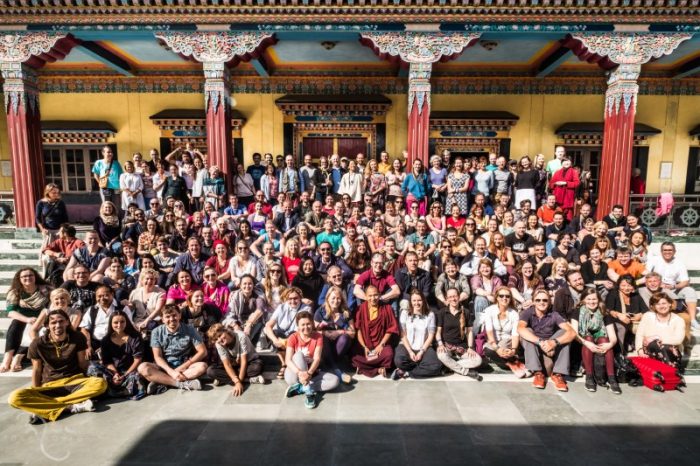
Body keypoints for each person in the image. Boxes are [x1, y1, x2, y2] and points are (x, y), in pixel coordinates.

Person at [8, 309, 108, 423]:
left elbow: (82, 364)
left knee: (100, 384)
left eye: (61, 321)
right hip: (49, 384)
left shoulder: (77, 337)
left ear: (67, 322)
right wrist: (37, 392)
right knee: (14, 398)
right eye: (53, 322)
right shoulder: (37, 344)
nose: (58, 325)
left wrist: (96, 369)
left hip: (75, 382)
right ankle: (72, 407)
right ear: (46, 325)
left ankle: (47, 407)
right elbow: (37, 370)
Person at [137, 304, 208, 394]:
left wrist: (182, 367)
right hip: (165, 366)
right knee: (142, 368)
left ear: (179, 315)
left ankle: (162, 382)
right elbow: (157, 357)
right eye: (167, 317)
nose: (171, 319)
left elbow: (203, 351)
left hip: (185, 366)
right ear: (162, 319)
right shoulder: (156, 332)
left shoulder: (189, 329)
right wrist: (170, 371)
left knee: (202, 366)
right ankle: (180, 384)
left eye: (174, 315)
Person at [518, 289, 576, 391]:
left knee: (565, 333)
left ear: (549, 302)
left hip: (550, 348)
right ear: (534, 301)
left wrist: (554, 342)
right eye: (538, 300)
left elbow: (572, 332)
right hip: (535, 348)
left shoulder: (554, 314)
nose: (541, 302)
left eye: (545, 300)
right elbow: (520, 329)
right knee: (527, 331)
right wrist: (540, 342)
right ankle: (538, 373)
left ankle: (558, 375)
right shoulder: (527, 313)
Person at [284, 311, 340, 409]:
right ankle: (308, 391)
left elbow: (317, 358)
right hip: (293, 374)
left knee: (335, 381)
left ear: (313, 324)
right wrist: (300, 373)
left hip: (310, 373)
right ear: (298, 326)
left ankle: (302, 388)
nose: (306, 327)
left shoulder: (318, 337)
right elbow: (288, 360)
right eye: (303, 325)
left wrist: (309, 374)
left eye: (308, 324)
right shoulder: (293, 337)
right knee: (298, 355)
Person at [570, 288, 621, 394]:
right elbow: (574, 334)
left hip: (599, 342)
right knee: (588, 337)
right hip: (582, 343)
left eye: (594, 299)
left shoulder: (604, 312)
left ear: (599, 300)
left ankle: (612, 378)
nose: (592, 302)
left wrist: (610, 344)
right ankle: (589, 377)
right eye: (588, 299)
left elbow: (613, 336)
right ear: (583, 300)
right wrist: (587, 343)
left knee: (605, 339)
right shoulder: (577, 312)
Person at [1, 268, 52, 373]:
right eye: (24, 276)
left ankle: (18, 357)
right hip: (23, 320)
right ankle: (7, 359)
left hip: (42, 320)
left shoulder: (46, 289)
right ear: (19, 279)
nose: (28, 278)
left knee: (34, 330)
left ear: (35, 277)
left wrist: (40, 320)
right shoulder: (15, 292)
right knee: (16, 324)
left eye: (30, 275)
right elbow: (11, 312)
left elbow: (55, 302)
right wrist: (27, 319)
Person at [87, 310, 146, 399]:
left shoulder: (135, 337)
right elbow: (107, 361)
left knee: (137, 377)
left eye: (122, 322)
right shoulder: (105, 340)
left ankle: (111, 392)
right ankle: (120, 390)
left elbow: (137, 359)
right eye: (116, 322)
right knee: (92, 368)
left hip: (130, 371)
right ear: (111, 323)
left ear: (127, 322)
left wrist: (125, 375)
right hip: (113, 372)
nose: (119, 325)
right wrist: (115, 374)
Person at [645, 241, 698, 329]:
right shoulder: (654, 260)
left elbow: (685, 281)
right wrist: (656, 284)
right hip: (657, 288)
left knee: (690, 291)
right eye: (665, 250)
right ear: (661, 251)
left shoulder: (679, 263)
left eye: (670, 250)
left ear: (674, 251)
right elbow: (646, 275)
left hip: (673, 288)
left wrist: (674, 286)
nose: (667, 252)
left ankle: (692, 320)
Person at [392, 290, 441, 380]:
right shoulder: (405, 313)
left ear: (423, 301)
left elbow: (431, 336)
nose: (417, 303)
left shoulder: (430, 315)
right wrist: (410, 351)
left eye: (419, 300)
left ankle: (406, 372)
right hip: (407, 346)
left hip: (423, 347)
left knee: (436, 366)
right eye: (414, 300)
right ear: (411, 301)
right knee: (399, 361)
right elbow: (403, 335)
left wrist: (421, 351)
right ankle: (420, 366)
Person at [352, 285, 399, 378]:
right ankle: (378, 369)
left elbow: (390, 329)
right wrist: (364, 347)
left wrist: (381, 345)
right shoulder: (360, 309)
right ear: (365, 296)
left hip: (381, 344)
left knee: (388, 354)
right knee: (354, 355)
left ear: (379, 295)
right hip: (366, 345)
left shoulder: (387, 308)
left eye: (375, 295)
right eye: (370, 296)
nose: (373, 298)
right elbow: (359, 330)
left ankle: (363, 368)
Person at [206, 323, 266, 395]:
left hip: (249, 362)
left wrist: (238, 382)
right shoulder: (218, 344)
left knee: (257, 368)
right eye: (216, 339)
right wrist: (237, 382)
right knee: (210, 371)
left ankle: (225, 380)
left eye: (220, 335)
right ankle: (249, 379)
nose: (220, 339)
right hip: (235, 366)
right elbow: (227, 364)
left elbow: (244, 362)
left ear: (225, 331)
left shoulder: (241, 336)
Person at [264, 287, 310, 379]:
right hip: (282, 337)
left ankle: (288, 364)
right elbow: (268, 325)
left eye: (295, 298)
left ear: (300, 298)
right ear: (286, 299)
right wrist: (275, 340)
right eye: (290, 298)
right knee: (272, 332)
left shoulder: (306, 309)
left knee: (293, 334)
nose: (293, 301)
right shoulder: (281, 307)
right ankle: (284, 363)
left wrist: (285, 341)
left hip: (297, 336)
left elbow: (303, 330)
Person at [435, 288, 482, 379]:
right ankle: (465, 372)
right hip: (447, 346)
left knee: (478, 360)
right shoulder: (442, 312)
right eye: (450, 297)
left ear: (459, 296)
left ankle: (449, 366)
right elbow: (438, 332)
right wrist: (440, 344)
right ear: (447, 299)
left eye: (455, 296)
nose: (453, 299)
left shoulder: (466, 312)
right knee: (441, 355)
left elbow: (469, 332)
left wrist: (470, 347)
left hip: (461, 347)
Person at [635, 292, 686, 368]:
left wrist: (656, 338)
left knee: (664, 347)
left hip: (671, 352)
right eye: (658, 304)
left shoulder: (678, 320)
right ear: (654, 306)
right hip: (650, 350)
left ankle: (667, 372)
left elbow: (678, 340)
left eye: (664, 303)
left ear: (669, 304)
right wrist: (639, 349)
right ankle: (671, 374)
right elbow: (639, 334)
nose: (661, 306)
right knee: (653, 344)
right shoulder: (647, 316)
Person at [35, 183, 69, 251]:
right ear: (48, 192)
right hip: (48, 230)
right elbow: (37, 218)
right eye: (53, 193)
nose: (56, 194)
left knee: (61, 250)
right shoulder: (41, 203)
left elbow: (65, 218)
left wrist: (62, 229)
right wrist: (42, 229)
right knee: (47, 250)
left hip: (59, 230)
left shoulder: (60, 203)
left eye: (57, 192)